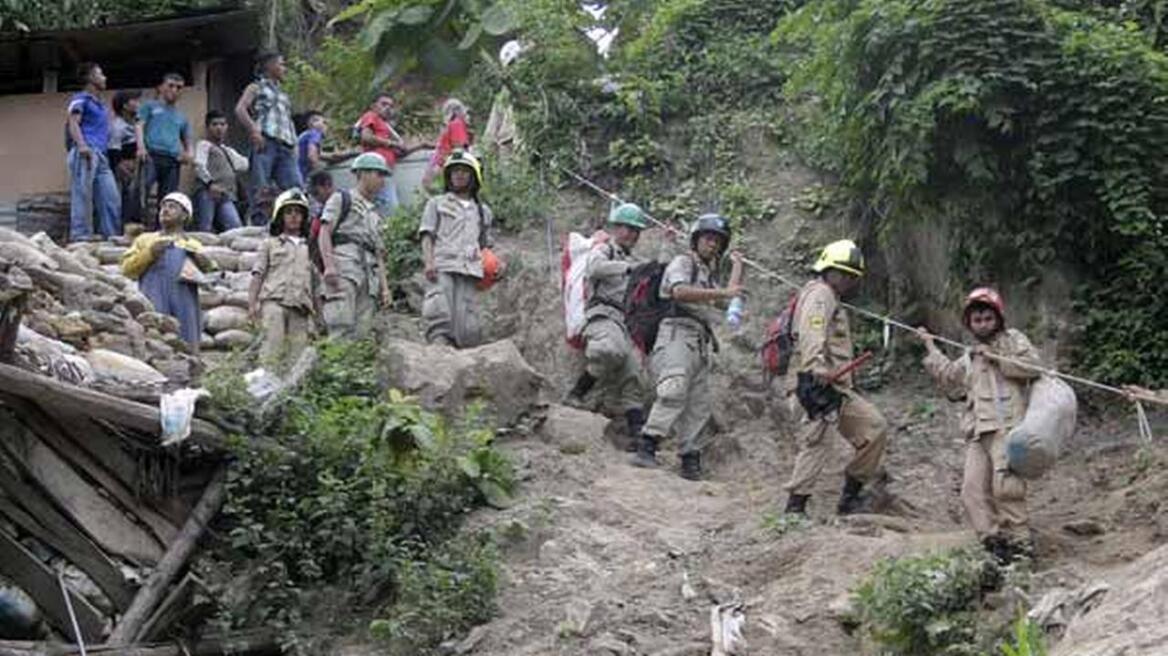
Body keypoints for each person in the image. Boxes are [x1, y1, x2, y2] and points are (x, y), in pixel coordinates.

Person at [916, 288, 1043, 562]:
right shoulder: (969, 355)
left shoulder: (1014, 340)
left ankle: (1022, 546)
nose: (982, 324)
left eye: (987, 318)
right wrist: (929, 346)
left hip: (1007, 427)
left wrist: (996, 357)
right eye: (977, 320)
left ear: (998, 318)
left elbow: (1033, 367)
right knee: (972, 492)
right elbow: (950, 378)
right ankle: (994, 545)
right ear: (969, 323)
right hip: (978, 431)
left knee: (1006, 488)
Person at [631, 214, 744, 480]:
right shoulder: (683, 262)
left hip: (699, 341)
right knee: (674, 387)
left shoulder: (707, 274)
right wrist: (723, 294)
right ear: (696, 239)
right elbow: (679, 292)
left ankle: (689, 457)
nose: (713, 245)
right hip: (676, 333)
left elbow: (729, 297)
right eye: (708, 238)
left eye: (718, 241)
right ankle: (647, 445)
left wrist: (737, 266)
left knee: (698, 403)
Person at [781, 239, 889, 515]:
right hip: (816, 381)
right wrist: (815, 368)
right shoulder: (820, 294)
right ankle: (795, 506)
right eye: (844, 274)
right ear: (829, 270)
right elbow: (811, 331)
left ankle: (850, 497)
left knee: (874, 428)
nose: (848, 280)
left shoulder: (831, 297)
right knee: (817, 440)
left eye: (852, 276)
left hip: (837, 385)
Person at [564, 203, 649, 447]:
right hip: (602, 314)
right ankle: (577, 393)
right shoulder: (604, 250)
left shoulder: (634, 259)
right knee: (609, 350)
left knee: (634, 375)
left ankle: (637, 435)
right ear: (615, 228)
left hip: (626, 322)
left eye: (636, 230)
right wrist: (629, 268)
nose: (631, 234)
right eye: (627, 228)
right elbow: (595, 268)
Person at [419, 150, 495, 349]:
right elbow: (427, 235)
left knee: (467, 322)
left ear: (473, 176)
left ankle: (463, 355)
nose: (459, 175)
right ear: (448, 176)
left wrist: (494, 265)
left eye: (464, 171)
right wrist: (429, 262)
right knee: (439, 311)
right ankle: (439, 347)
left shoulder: (483, 211)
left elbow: (485, 245)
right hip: (443, 265)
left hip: (470, 269)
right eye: (455, 171)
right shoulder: (436, 203)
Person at [120, 192, 214, 349]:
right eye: (163, 206)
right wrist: (150, 253)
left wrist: (203, 263)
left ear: (185, 216)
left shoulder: (193, 245)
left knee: (186, 344)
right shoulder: (145, 240)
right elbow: (127, 269)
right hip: (153, 297)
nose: (165, 210)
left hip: (184, 302)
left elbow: (211, 275)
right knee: (155, 339)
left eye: (172, 207)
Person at [318, 153, 392, 339]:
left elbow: (379, 254)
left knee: (363, 332)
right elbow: (324, 232)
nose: (382, 181)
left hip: (369, 279)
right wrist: (329, 266)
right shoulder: (341, 199)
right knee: (340, 325)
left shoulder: (376, 213)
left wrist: (385, 288)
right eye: (378, 174)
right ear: (362, 174)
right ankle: (335, 367)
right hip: (344, 268)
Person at [249, 188, 317, 366]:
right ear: (280, 216)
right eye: (288, 212)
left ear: (304, 217)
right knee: (272, 350)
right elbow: (258, 274)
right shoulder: (269, 244)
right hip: (274, 302)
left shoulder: (310, 248)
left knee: (297, 358)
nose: (294, 216)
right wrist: (252, 304)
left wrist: (318, 316)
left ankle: (291, 392)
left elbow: (316, 284)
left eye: (298, 212)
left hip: (301, 307)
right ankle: (265, 390)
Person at [235, 51, 301, 225]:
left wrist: (295, 145)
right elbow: (240, 109)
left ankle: (292, 226)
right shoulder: (256, 87)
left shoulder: (283, 93)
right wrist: (254, 131)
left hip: (286, 145)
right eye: (281, 64)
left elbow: (288, 120)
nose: (284, 68)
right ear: (269, 66)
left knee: (295, 187)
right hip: (267, 142)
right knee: (261, 190)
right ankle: (259, 227)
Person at [66, 62, 120, 242]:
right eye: (101, 74)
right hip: (86, 152)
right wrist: (82, 146)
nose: (104, 78)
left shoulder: (100, 104)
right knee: (82, 195)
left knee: (110, 197)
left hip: (101, 155)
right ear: (90, 78)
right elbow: (73, 123)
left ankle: (110, 236)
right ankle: (80, 237)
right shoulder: (81, 98)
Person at [136, 73, 192, 210]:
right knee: (141, 192)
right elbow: (139, 125)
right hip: (151, 156)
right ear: (161, 87)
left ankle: (164, 229)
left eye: (179, 88)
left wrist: (189, 154)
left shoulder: (181, 116)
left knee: (168, 198)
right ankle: (135, 226)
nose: (174, 90)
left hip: (173, 160)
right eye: (170, 86)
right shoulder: (149, 106)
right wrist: (141, 147)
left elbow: (188, 139)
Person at [193, 110, 248, 232]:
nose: (219, 128)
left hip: (226, 196)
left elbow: (244, 164)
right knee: (205, 228)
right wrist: (210, 184)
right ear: (208, 128)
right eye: (215, 124)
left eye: (222, 124)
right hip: (208, 193)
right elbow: (198, 165)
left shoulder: (227, 150)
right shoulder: (204, 145)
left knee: (235, 227)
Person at [356, 94, 405, 214]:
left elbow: (400, 148)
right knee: (391, 210)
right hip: (375, 171)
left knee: (380, 211)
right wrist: (392, 143)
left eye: (390, 106)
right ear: (373, 106)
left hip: (384, 171)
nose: (388, 108)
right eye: (383, 104)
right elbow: (366, 137)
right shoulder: (370, 116)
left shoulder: (385, 126)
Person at [108, 89, 142, 226]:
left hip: (133, 170)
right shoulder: (118, 126)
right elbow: (113, 150)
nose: (138, 104)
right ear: (125, 106)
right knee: (121, 202)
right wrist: (121, 168)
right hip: (122, 172)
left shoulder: (134, 124)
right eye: (134, 100)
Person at [422, 98, 471, 188]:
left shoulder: (454, 124)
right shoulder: (456, 124)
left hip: (440, 162)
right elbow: (457, 147)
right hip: (442, 162)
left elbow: (457, 147)